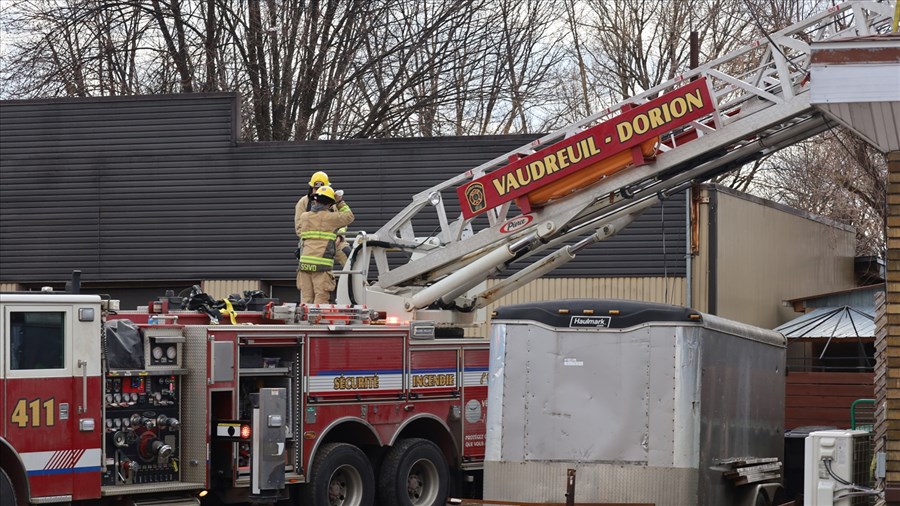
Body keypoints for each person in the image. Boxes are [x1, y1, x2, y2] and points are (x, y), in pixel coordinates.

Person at [296, 186, 354, 304]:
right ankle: (318, 322)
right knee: (321, 299)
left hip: (305, 265)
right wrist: (339, 202)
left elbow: (301, 231)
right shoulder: (331, 218)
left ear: (315, 200)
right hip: (321, 265)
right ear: (329, 204)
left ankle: (305, 321)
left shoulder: (304, 217)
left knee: (306, 299)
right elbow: (349, 216)